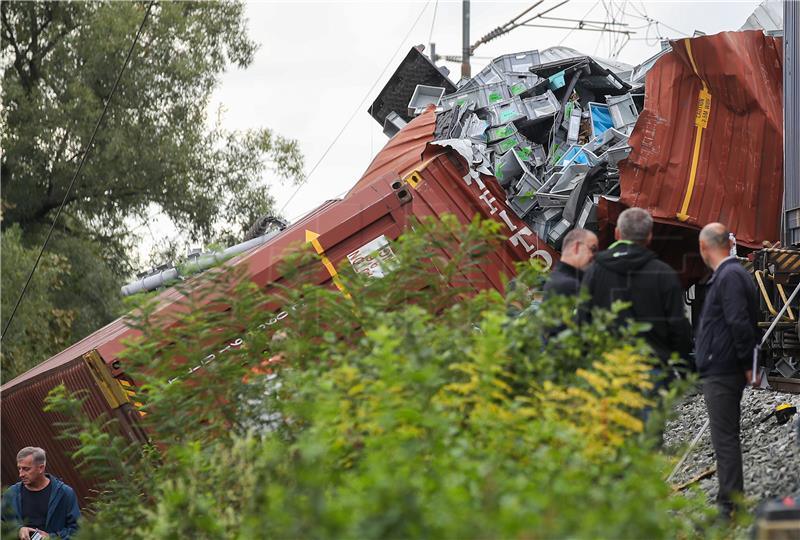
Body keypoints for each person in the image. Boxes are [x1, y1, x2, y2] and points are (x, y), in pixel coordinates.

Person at [695, 222, 759, 519]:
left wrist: (748, 364)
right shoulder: (731, 274)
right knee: (726, 437)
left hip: (723, 369)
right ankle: (730, 502)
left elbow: (738, 322)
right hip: (723, 366)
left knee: (725, 439)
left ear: (705, 247)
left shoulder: (729, 275)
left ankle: (729, 508)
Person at [582, 207, 692, 373]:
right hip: (653, 368)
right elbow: (678, 326)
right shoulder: (663, 273)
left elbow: (582, 320)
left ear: (617, 233)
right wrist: (677, 362)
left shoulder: (594, 271)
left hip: (607, 369)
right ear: (649, 237)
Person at [1, 447, 80, 539]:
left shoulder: (65, 493)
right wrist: (19, 530)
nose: (21, 474)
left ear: (41, 468)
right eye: (19, 468)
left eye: (26, 469)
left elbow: (77, 530)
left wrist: (51, 537)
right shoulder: (11, 493)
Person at [543, 228, 599, 297]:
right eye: (593, 249)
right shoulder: (570, 285)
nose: (594, 256)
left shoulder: (555, 277)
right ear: (577, 247)